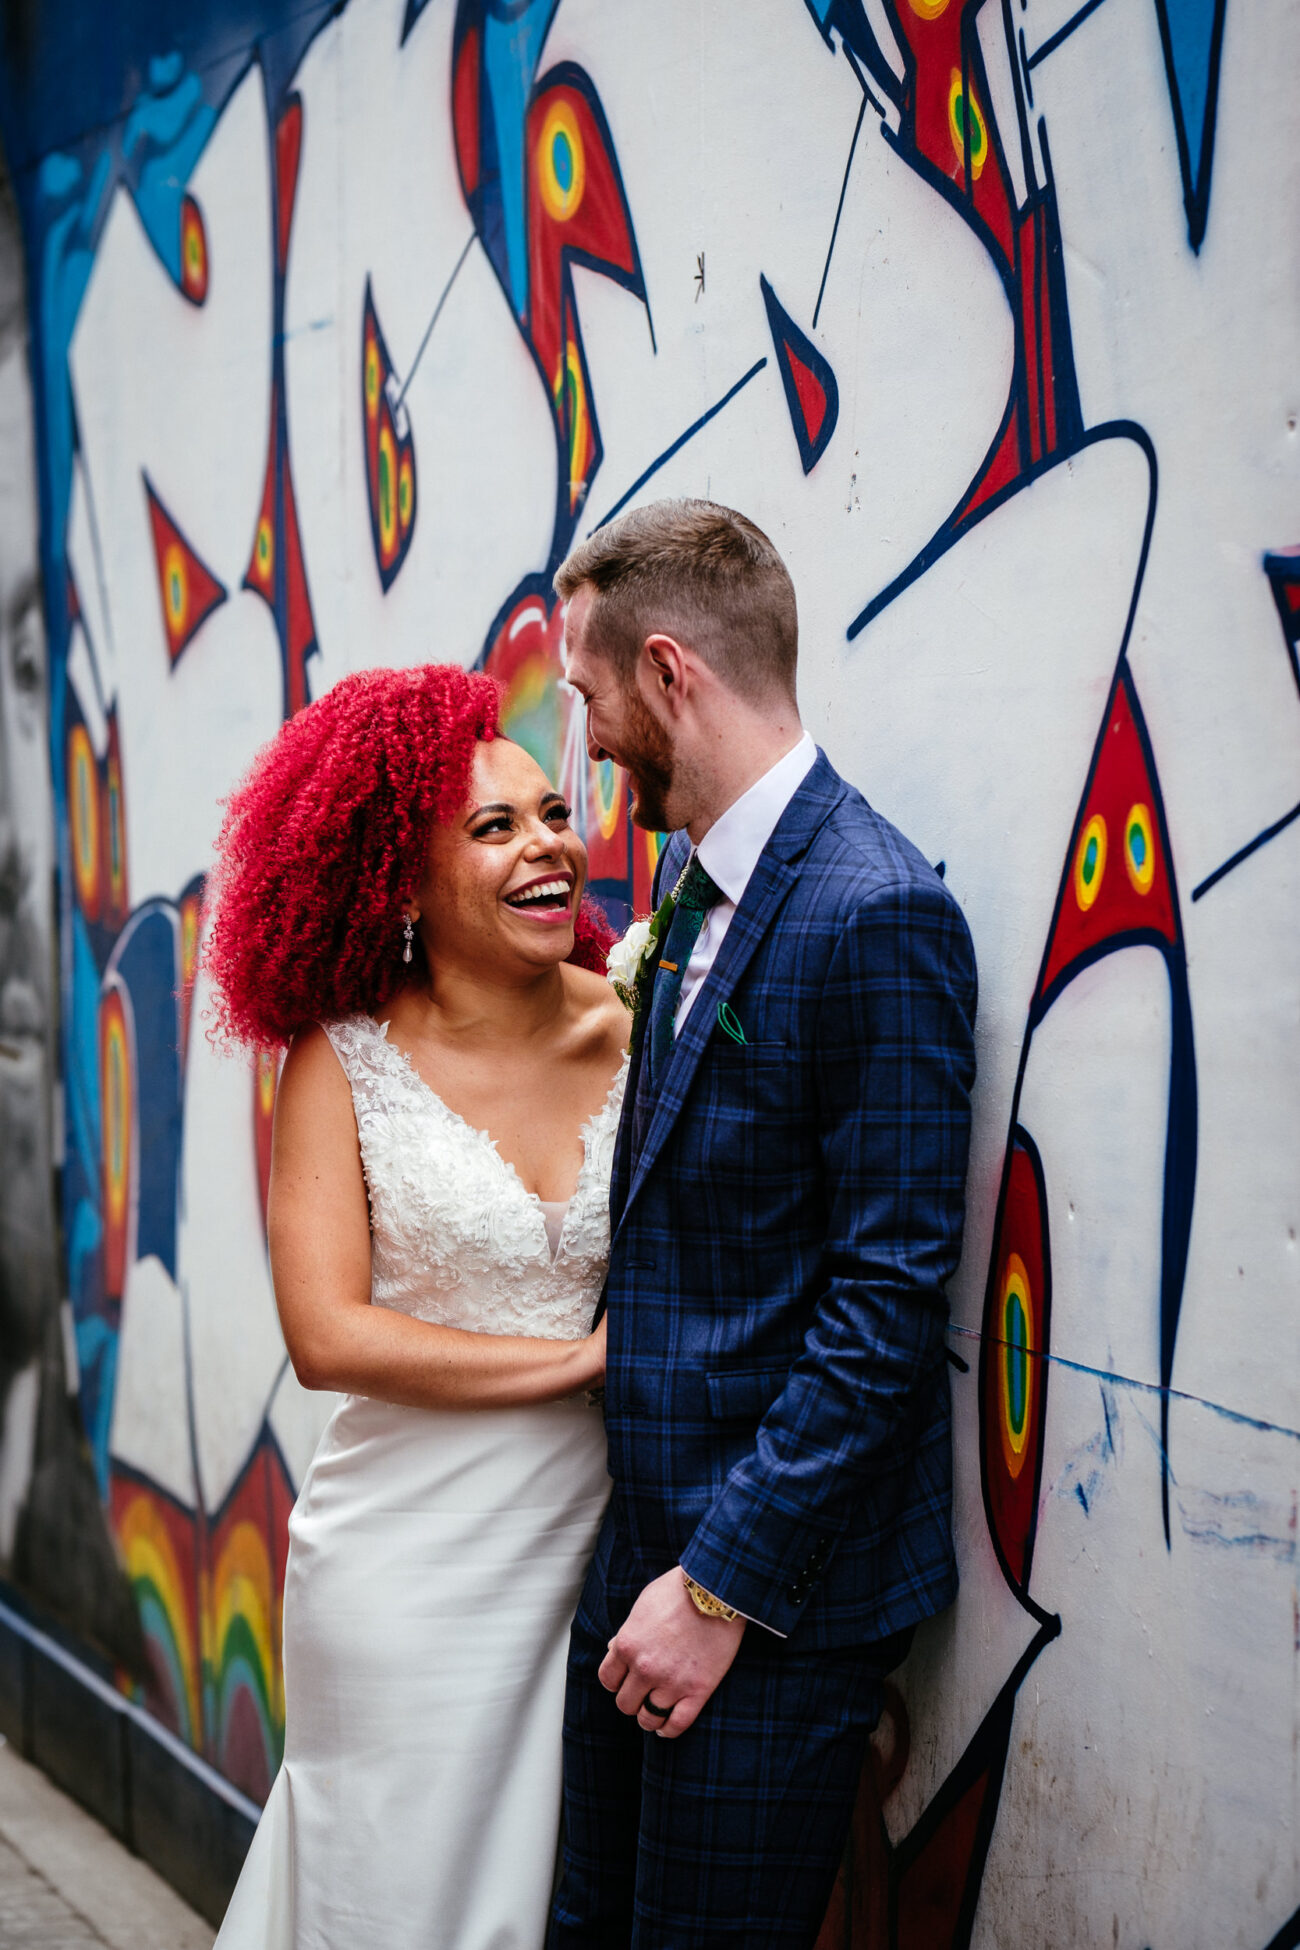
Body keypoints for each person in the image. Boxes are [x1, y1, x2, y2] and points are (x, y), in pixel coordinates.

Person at [549, 499, 978, 1948]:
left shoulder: (877, 915)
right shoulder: (689, 877)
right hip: (640, 1562)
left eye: (591, 695)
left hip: (769, 1600)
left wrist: (717, 1586)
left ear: (670, 673)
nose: (587, 738)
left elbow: (885, 1305)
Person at [206, 663, 629, 1949]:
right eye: (493, 829)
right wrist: (590, 1361)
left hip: (604, 1553)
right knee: (395, 1895)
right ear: (395, 879)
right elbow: (327, 1337)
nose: (546, 846)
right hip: (408, 1566)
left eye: (552, 813)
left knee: (545, 1897)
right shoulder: (344, 1061)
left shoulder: (641, 1023)